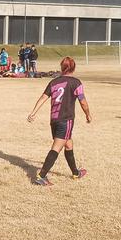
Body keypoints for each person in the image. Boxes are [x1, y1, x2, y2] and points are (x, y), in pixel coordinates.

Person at [27, 56, 92, 185]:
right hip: (66, 120)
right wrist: (88, 114)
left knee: (68, 144)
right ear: (73, 68)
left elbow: (43, 97)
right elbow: (83, 102)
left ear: (62, 67)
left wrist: (33, 113)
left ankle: (75, 173)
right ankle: (41, 176)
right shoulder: (76, 83)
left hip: (54, 120)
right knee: (56, 148)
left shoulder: (54, 82)